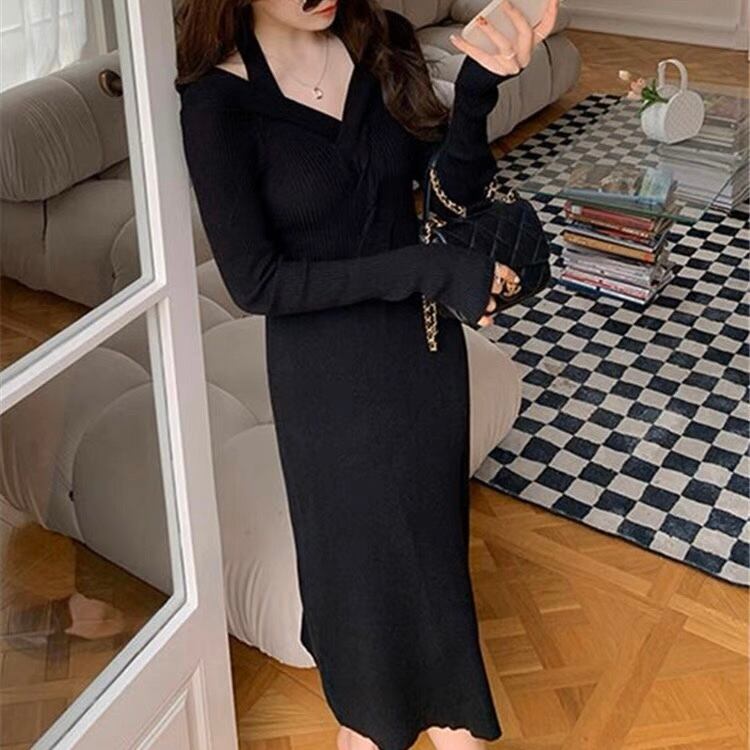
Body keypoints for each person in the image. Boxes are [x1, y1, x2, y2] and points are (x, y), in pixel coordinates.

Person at [173, 1, 558, 749]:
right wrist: (426, 269)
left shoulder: (383, 38)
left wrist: (475, 91)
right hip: (329, 383)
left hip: (421, 356)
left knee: (433, 575)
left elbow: (449, 194)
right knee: (363, 603)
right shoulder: (216, 103)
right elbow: (257, 283)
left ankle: (441, 723)